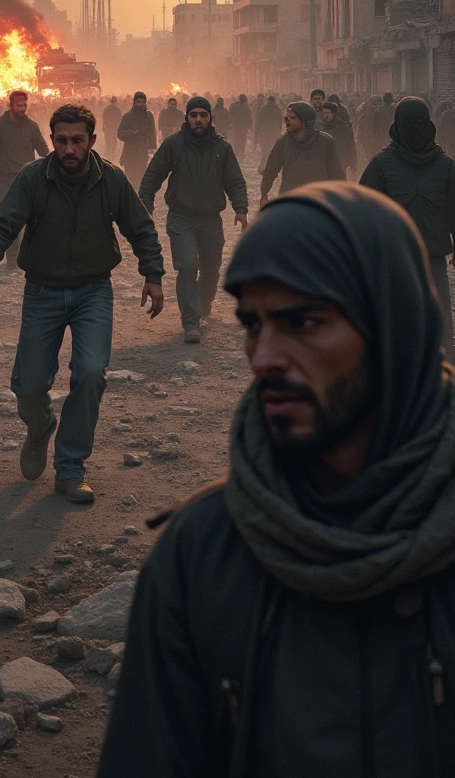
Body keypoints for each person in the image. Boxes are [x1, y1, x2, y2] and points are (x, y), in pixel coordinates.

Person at [99, 181, 455, 778]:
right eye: (253, 325)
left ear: (390, 327)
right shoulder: (200, 558)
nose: (263, 357)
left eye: (303, 322)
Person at [0, 104, 164, 504]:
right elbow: (2, 222)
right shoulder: (33, 177)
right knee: (28, 386)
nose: (68, 149)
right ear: (52, 140)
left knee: (91, 372)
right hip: (42, 290)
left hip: (92, 291)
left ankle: (70, 467)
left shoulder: (110, 179)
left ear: (91, 141)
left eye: (77, 141)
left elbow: (141, 227)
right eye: (61, 140)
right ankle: (41, 425)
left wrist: (153, 275)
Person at [139, 95, 248, 344]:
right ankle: (191, 322)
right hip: (181, 217)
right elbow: (152, 177)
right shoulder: (173, 145)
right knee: (187, 265)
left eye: (203, 115)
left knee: (210, 267)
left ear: (211, 118)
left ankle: (203, 301)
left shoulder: (222, 148)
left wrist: (240, 208)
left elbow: (235, 181)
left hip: (211, 219)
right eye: (193, 115)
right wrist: (146, 206)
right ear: (186, 118)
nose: (198, 120)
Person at [360, 97, 455, 361]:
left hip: (434, 257)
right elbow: (363, 210)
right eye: (410, 123)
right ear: (399, 125)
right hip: (394, 258)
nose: (416, 129)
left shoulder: (445, 165)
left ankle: (443, 374)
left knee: (441, 319)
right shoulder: (381, 163)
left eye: (421, 123)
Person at [0, 89, 49, 268]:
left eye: (24, 105)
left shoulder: (32, 126)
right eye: (19, 105)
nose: (22, 109)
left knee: (32, 217)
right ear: (11, 105)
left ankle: (28, 255)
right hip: (5, 179)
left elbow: (44, 151)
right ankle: (12, 259)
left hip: (28, 178)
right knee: (8, 218)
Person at [260, 102, 344, 206]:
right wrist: (264, 194)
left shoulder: (326, 142)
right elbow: (270, 170)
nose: (287, 120)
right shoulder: (283, 143)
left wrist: (340, 200)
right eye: (287, 117)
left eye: (293, 118)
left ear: (305, 121)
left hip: (319, 202)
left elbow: (336, 173)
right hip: (290, 200)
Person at [117, 91, 157, 189]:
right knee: (130, 180)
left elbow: (152, 132)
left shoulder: (149, 116)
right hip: (130, 152)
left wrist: (153, 147)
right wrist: (133, 133)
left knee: (141, 179)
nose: (141, 104)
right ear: (134, 102)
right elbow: (120, 134)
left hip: (142, 152)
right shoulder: (127, 116)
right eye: (138, 102)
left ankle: (139, 201)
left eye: (143, 102)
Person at [320, 101, 358, 179]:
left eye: (328, 113)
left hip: (340, 164)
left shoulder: (342, 127)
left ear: (334, 113)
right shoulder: (318, 128)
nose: (325, 115)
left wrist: (354, 164)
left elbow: (350, 145)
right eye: (323, 113)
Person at [254, 95, 283, 173]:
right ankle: (273, 167)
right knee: (274, 150)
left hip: (265, 132)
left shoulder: (264, 109)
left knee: (265, 150)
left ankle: (262, 167)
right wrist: (279, 129)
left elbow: (259, 120)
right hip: (274, 132)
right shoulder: (277, 109)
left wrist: (257, 131)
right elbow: (280, 120)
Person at [102, 96, 123, 161]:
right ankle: (113, 157)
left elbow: (104, 118)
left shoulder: (106, 108)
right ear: (116, 101)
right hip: (114, 129)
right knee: (114, 143)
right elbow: (120, 119)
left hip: (107, 128)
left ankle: (107, 157)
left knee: (107, 143)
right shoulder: (117, 109)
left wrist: (103, 127)